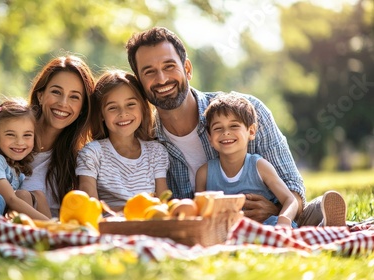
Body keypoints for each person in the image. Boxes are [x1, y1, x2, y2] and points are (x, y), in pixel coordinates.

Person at [125, 26, 347, 227]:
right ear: (140, 82)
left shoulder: (248, 112)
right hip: (206, 229)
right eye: (149, 72)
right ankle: (315, 219)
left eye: (169, 66)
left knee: (297, 216)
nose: (162, 79)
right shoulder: (145, 139)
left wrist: (278, 211)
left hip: (267, 221)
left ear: (188, 69)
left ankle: (314, 216)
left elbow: (292, 186)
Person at [0, 55, 96, 218]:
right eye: (56, 92)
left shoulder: (82, 159)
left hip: (44, 233)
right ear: (41, 95)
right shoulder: (12, 143)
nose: (63, 103)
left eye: (74, 96)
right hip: (2, 226)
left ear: (83, 107)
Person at [195, 92, 298, 228]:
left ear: (251, 131)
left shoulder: (260, 166)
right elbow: (198, 212)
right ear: (209, 137)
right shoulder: (204, 173)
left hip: (266, 228)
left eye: (234, 126)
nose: (225, 132)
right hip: (224, 233)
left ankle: (319, 218)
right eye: (218, 128)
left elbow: (290, 200)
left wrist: (283, 222)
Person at [76, 69, 169, 212]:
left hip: (149, 228)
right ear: (101, 114)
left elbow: (164, 205)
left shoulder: (156, 152)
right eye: (112, 107)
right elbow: (90, 208)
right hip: (109, 230)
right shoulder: (92, 153)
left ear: (143, 108)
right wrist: (133, 209)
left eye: (130, 104)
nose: (123, 113)